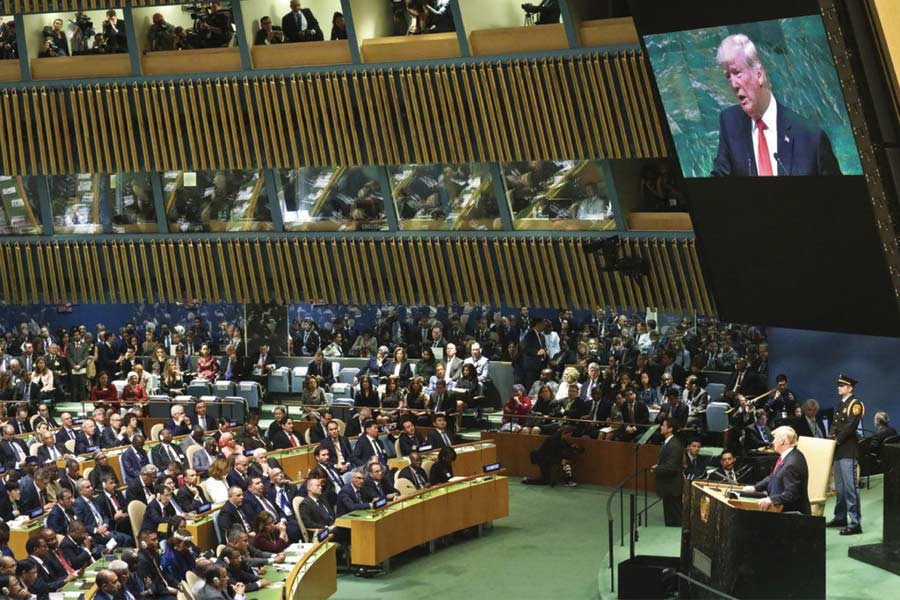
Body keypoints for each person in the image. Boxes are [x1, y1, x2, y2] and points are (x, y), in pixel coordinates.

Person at [711, 33, 840, 177]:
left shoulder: (811, 138)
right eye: (728, 76)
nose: (733, 84)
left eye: (737, 73)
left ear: (759, 75)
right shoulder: (730, 123)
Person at [743, 425, 810, 514]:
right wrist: (755, 488)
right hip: (778, 510)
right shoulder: (789, 456)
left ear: (782, 441)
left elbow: (791, 494)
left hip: (790, 516)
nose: (773, 442)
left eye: (775, 439)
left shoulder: (792, 463)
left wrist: (771, 499)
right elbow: (773, 476)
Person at [828, 374, 864, 535]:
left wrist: (836, 440)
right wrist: (831, 438)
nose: (839, 387)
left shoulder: (855, 405)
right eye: (839, 385)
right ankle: (840, 517)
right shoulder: (841, 404)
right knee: (840, 488)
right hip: (838, 451)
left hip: (848, 450)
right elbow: (835, 426)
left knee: (851, 488)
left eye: (842, 385)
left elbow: (850, 427)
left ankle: (855, 523)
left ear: (850, 388)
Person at [653, 418, 684, 527]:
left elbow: (671, 467)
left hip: (672, 487)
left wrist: (657, 469)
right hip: (667, 487)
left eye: (664, 425)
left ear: (670, 429)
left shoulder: (674, 445)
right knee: (669, 518)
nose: (661, 427)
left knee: (675, 519)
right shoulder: (668, 443)